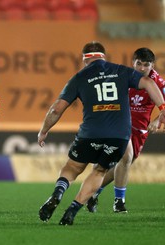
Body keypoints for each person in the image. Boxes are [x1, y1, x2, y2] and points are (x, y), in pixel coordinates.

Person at [37, 41, 165, 226]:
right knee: (99, 171)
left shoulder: (79, 77)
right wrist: (162, 108)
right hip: (120, 135)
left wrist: (44, 131)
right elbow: (148, 82)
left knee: (73, 168)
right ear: (103, 56)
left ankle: (58, 193)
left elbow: (56, 110)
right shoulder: (122, 71)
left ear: (84, 60)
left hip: (91, 132)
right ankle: (72, 210)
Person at [86, 48, 165, 213]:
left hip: (139, 129)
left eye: (146, 65)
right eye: (139, 64)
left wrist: (157, 120)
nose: (142, 68)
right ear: (133, 62)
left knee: (124, 163)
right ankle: (119, 202)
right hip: (118, 123)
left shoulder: (157, 82)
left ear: (152, 65)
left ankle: (93, 193)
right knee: (126, 157)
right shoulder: (121, 76)